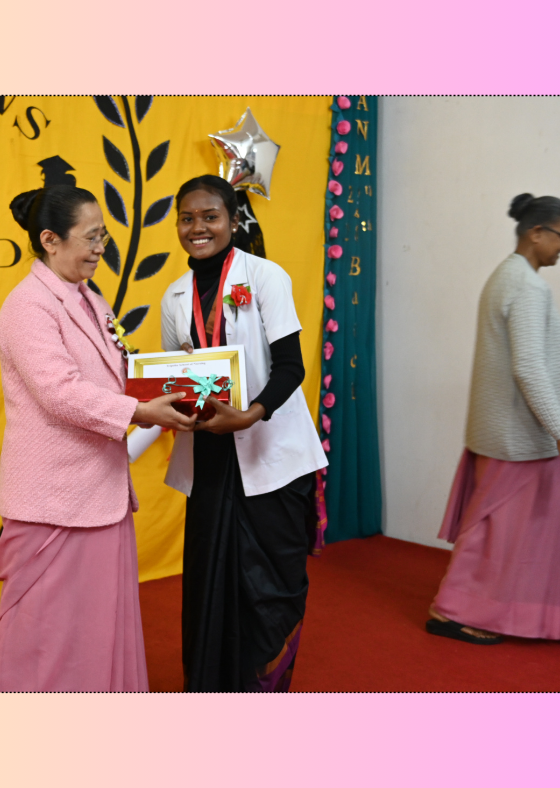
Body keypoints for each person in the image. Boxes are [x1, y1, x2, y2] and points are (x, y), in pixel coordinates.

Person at [0, 185, 197, 691]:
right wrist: (140, 409)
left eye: (104, 236)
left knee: (98, 629)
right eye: (91, 237)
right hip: (53, 502)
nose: (101, 248)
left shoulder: (90, 299)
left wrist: (184, 378)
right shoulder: (28, 305)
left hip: (100, 493)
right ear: (50, 240)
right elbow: (59, 392)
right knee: (46, 635)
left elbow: (116, 375)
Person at [159, 174, 328, 691]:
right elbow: (175, 378)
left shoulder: (265, 277)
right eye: (187, 218)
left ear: (233, 221)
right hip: (210, 460)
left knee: (270, 588)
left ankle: (262, 691)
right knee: (209, 585)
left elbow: (291, 366)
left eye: (210, 216)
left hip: (271, 456)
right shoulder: (174, 295)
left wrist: (251, 414)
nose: (198, 227)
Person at [426, 193, 560, 645]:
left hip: (512, 430)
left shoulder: (507, 275)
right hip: (517, 436)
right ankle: (449, 611)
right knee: (494, 532)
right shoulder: (527, 286)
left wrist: (559, 378)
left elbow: (524, 356)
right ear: (537, 233)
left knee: (542, 532)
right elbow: (526, 367)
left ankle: (553, 607)